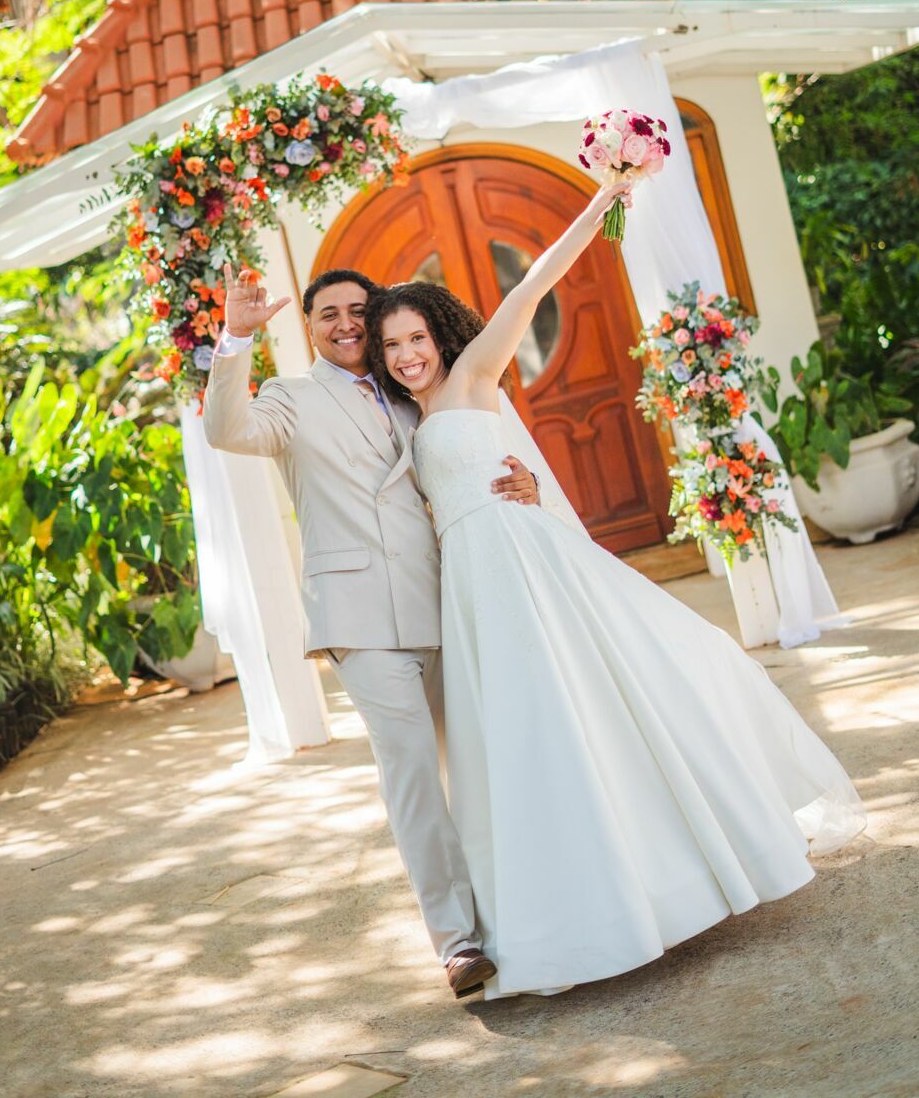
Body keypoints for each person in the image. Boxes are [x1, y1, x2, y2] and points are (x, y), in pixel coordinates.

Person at [365, 180, 868, 1000]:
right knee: (522, 737)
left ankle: (677, 878)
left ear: (440, 334)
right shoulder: (404, 425)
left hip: (528, 568)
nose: (405, 355)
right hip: (473, 592)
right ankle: (576, 910)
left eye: (415, 336)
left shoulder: (474, 377)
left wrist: (603, 199)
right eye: (391, 347)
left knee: (596, 704)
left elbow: (533, 287)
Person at [201, 264, 540, 999]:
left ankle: (519, 904)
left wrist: (524, 482)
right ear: (310, 326)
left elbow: (468, 458)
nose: (346, 323)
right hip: (358, 614)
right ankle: (457, 943)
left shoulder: (415, 387)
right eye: (328, 314)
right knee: (413, 770)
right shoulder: (289, 398)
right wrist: (234, 337)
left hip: (448, 598)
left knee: (482, 758)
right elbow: (225, 430)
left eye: (360, 310)